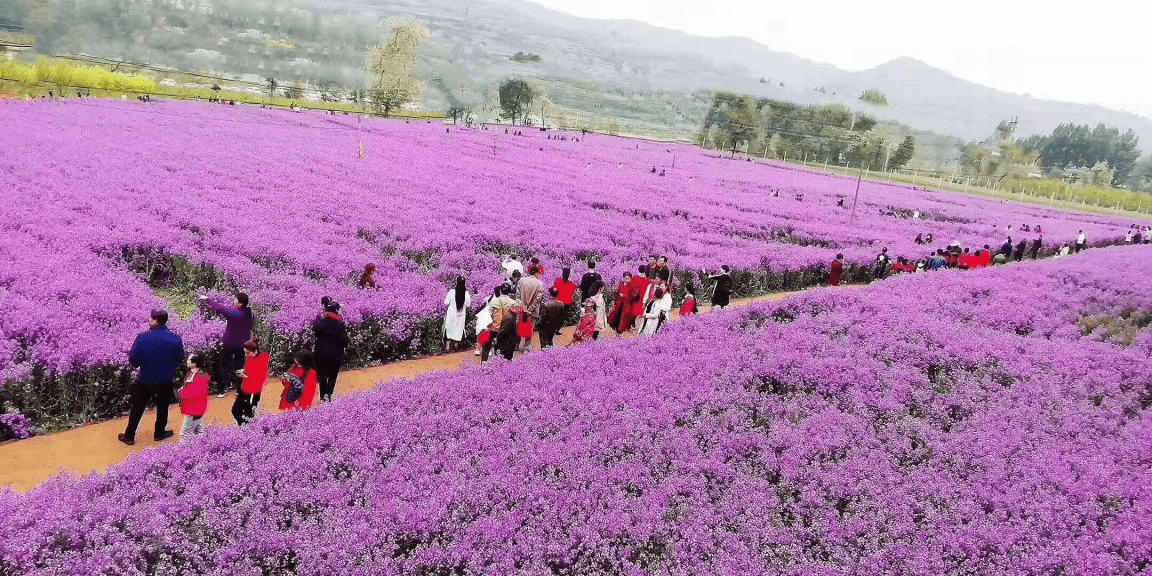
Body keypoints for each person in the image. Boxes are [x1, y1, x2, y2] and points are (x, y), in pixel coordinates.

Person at [119, 310, 185, 446]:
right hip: (166, 379)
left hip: (145, 379)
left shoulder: (142, 337)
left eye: (151, 318)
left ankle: (129, 436)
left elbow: (133, 360)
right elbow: (179, 359)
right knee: (163, 406)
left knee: (137, 408)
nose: (150, 320)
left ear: (155, 321)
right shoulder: (175, 338)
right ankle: (159, 433)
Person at [200, 292, 254, 398]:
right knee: (240, 367)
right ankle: (239, 389)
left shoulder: (235, 314)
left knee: (224, 366)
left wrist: (207, 300)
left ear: (240, 303)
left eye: (236, 300)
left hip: (229, 343)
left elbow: (220, 309)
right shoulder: (249, 313)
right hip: (242, 344)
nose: (234, 301)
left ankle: (221, 391)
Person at [313, 300, 348, 403]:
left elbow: (316, 334)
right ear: (336, 310)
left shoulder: (321, 322)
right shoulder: (339, 324)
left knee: (322, 375)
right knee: (332, 375)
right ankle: (329, 396)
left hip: (320, 354)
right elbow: (345, 341)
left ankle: (322, 397)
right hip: (335, 355)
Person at [232, 338, 270, 425]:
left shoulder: (263, 360)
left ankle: (246, 429)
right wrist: (244, 373)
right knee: (236, 411)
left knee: (246, 413)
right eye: (245, 352)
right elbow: (249, 369)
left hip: (252, 391)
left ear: (255, 351)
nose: (246, 355)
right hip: (244, 388)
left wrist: (246, 376)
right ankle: (245, 427)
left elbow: (261, 378)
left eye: (248, 353)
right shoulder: (250, 357)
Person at [178, 354, 210, 440]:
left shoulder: (200, 376)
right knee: (199, 431)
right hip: (194, 407)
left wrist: (181, 393)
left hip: (194, 409)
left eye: (189, 360)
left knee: (185, 434)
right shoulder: (192, 372)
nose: (187, 361)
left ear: (194, 364)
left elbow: (194, 392)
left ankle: (184, 452)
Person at [518, 267, 545, 351]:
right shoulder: (539, 283)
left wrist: (523, 307)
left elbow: (518, 295)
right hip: (532, 312)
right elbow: (538, 298)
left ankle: (516, 345)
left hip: (521, 309)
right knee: (529, 328)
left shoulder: (522, 280)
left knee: (519, 325)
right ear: (536, 273)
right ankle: (526, 347)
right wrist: (530, 309)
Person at [443, 277, 471, 351]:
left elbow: (446, 302)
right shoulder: (466, 293)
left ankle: (447, 347)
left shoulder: (452, 292)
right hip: (461, 315)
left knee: (449, 330)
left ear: (457, 283)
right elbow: (468, 305)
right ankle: (456, 346)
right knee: (458, 329)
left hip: (451, 315)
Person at [473, 285, 501, 357]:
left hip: (483, 316)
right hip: (489, 317)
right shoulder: (499, 300)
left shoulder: (489, 298)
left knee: (481, 332)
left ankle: (478, 349)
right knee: (489, 333)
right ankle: (486, 350)